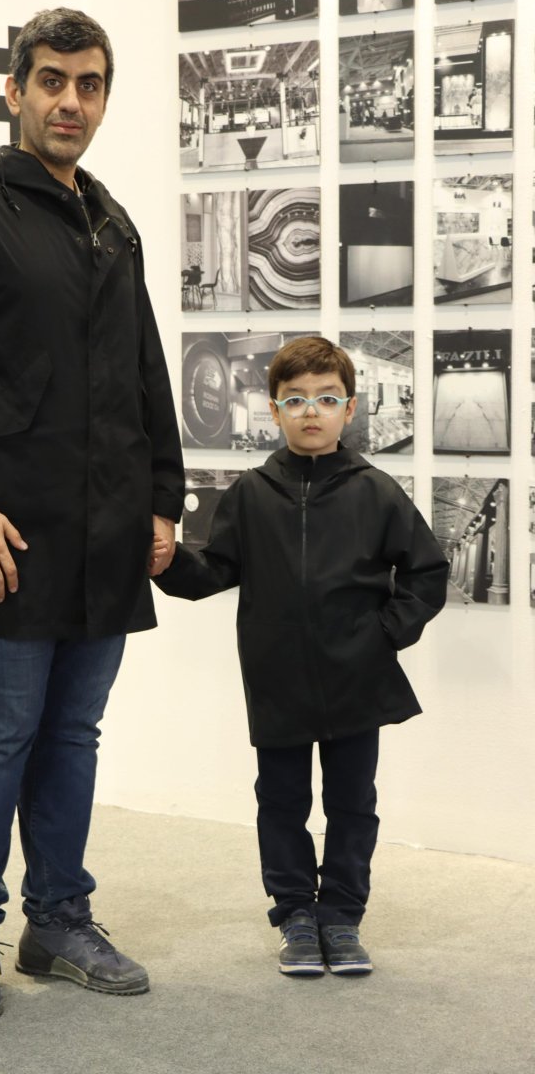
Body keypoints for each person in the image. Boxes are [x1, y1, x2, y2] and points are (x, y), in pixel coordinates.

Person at [0, 7, 184, 1020]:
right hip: (3, 536)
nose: (70, 101)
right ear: (14, 91)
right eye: (51, 80)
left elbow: (145, 371)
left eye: (88, 84)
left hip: (105, 532)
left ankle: (57, 920)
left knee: (73, 735)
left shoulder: (111, 222)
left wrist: (163, 498)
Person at [154, 336, 448, 977]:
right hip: (277, 675)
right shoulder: (251, 493)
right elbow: (215, 570)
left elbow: (427, 573)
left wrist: (383, 635)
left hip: (357, 676)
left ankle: (340, 916)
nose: (311, 411)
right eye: (295, 400)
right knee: (281, 801)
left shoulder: (377, 492)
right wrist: (169, 563)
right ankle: (294, 914)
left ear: (350, 408)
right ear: (273, 409)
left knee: (352, 802)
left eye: (326, 399)